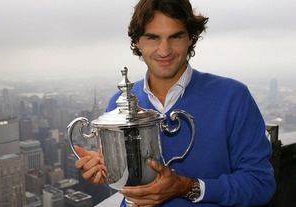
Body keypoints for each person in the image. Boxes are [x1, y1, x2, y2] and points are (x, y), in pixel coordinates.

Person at [74, 0, 276, 206]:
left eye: (175, 37)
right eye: (153, 37)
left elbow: (260, 184)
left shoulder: (233, 97)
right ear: (137, 42)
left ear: (190, 38)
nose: (164, 51)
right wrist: (104, 170)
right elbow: (129, 183)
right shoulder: (118, 104)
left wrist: (186, 186)